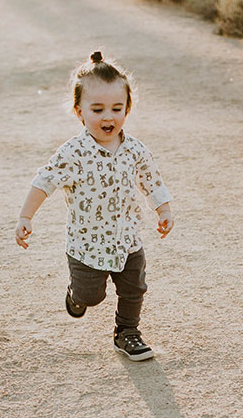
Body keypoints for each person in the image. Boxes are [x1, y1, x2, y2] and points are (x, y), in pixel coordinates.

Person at [15, 51, 174, 361]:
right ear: (79, 112)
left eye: (117, 108)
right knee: (92, 296)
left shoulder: (134, 149)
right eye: (97, 109)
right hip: (86, 246)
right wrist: (25, 216)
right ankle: (76, 294)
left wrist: (163, 209)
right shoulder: (74, 152)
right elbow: (44, 181)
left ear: (128, 108)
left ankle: (127, 332)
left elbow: (152, 180)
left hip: (127, 239)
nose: (107, 117)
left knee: (134, 288)